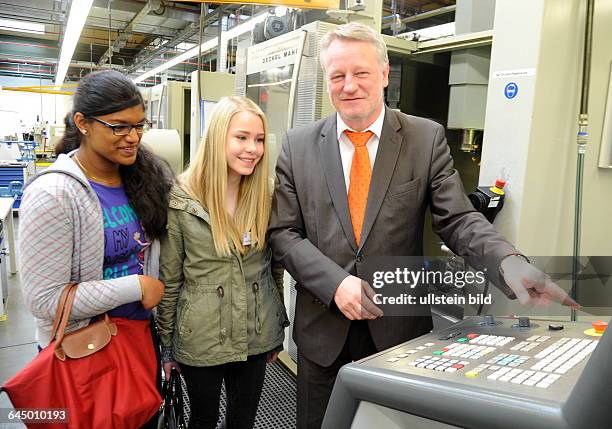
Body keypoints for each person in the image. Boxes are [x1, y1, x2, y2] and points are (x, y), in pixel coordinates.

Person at [267, 22, 579, 429]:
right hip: (323, 333)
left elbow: (458, 218)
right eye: (337, 76)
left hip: (398, 332)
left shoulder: (423, 138)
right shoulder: (298, 144)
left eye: (360, 73)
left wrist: (509, 262)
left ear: (383, 74)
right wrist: (335, 283)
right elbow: (283, 234)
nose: (349, 85)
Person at [18, 69, 173, 427]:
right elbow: (44, 300)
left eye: (139, 126)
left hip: (137, 339)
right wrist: (137, 286)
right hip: (82, 349)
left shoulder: (142, 175)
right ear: (82, 123)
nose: (132, 137)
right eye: (119, 127)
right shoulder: (54, 194)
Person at [156, 96, 289, 429]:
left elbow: (274, 267)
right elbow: (171, 278)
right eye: (241, 137)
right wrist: (166, 347)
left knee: (242, 420)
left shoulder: (265, 194)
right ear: (218, 138)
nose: (253, 149)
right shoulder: (182, 198)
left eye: (258, 139)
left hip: (255, 332)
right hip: (201, 334)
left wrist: (275, 329)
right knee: (203, 419)